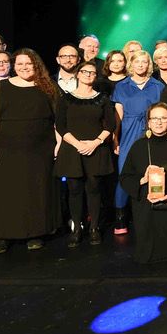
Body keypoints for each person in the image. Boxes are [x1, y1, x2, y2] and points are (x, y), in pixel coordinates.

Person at [0, 48, 60, 253]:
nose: (24, 67)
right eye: (20, 64)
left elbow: (58, 120)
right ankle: (2, 235)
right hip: (7, 150)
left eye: (28, 63)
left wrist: (59, 143)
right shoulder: (1, 88)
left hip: (40, 150)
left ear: (36, 65)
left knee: (37, 191)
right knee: (5, 192)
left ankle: (35, 233)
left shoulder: (48, 87)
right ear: (13, 66)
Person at [117, 103, 167, 263]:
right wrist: (142, 180)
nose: (158, 122)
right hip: (145, 206)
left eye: (163, 118)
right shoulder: (138, 146)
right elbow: (125, 177)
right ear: (148, 121)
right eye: (154, 118)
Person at [56, 61, 117, 246]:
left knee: (94, 188)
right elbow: (60, 125)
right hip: (72, 150)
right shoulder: (65, 99)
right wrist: (77, 144)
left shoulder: (103, 99)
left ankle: (94, 228)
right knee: (74, 190)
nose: (89, 75)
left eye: (92, 72)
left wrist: (95, 143)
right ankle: (76, 228)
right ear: (77, 74)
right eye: (85, 72)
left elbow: (110, 125)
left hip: (96, 149)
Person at [112, 50, 166, 233]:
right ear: (131, 64)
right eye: (137, 62)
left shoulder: (158, 85)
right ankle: (121, 218)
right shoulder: (121, 86)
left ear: (149, 64)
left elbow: (163, 113)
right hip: (128, 131)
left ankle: (151, 214)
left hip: (152, 131)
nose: (141, 65)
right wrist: (115, 138)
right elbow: (118, 115)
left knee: (153, 172)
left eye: (145, 62)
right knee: (125, 173)